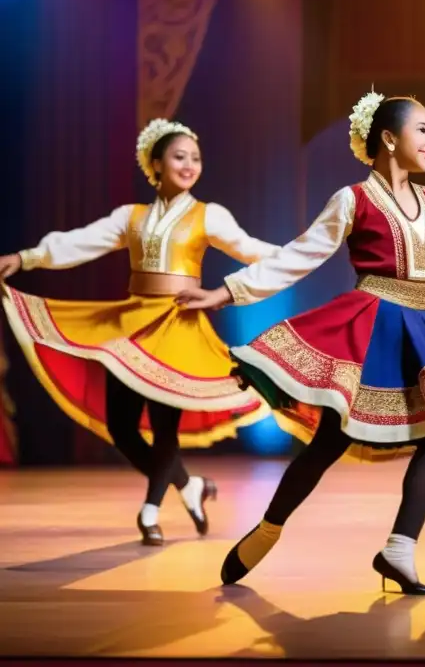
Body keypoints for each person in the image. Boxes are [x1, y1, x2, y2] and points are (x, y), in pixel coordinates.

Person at [177, 92, 425, 595]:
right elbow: (299, 256)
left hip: (421, 329)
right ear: (389, 138)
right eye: (423, 129)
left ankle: (399, 549)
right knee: (331, 440)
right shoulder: (353, 200)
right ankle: (269, 528)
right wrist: (226, 292)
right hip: (370, 327)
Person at [0, 119, 279, 543]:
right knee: (122, 427)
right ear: (156, 162)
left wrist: (301, 255)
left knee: (165, 427)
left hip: (179, 325)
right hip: (132, 323)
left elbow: (253, 249)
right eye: (179, 156)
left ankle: (149, 512)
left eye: (195, 158)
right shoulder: (131, 217)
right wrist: (25, 258)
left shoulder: (210, 216)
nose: (188, 165)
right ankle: (190, 486)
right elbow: (79, 243)